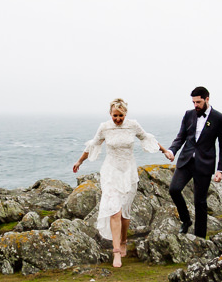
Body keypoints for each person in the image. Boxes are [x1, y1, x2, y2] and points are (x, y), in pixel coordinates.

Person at [73, 98, 175, 267]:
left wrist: (165, 151)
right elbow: (93, 145)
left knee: (125, 213)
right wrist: (79, 162)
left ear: (125, 114)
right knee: (114, 211)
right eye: (115, 116)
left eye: (120, 115)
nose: (118, 119)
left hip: (128, 172)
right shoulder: (104, 127)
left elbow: (147, 138)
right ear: (110, 114)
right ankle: (116, 253)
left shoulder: (133, 125)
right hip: (111, 172)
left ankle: (123, 241)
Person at [168, 86, 222, 238]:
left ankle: (199, 238)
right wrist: (172, 151)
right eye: (193, 102)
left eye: (198, 102)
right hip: (186, 161)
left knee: (200, 202)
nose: (195, 105)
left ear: (207, 99)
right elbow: (180, 136)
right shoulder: (189, 115)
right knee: (174, 190)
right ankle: (186, 220)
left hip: (204, 164)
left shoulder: (219, 118)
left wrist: (220, 170)